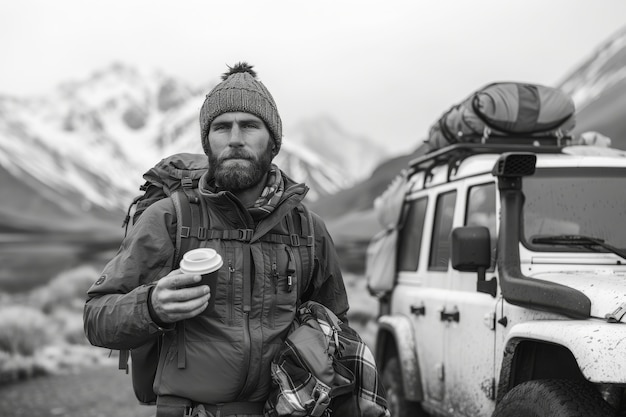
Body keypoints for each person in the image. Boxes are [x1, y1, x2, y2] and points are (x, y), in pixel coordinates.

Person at [83, 62, 350, 417]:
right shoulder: (169, 218)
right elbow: (97, 318)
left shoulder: (308, 230)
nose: (235, 138)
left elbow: (336, 328)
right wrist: (151, 307)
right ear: (207, 141)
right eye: (222, 127)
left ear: (274, 143)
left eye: (250, 125)